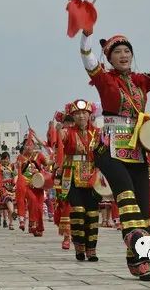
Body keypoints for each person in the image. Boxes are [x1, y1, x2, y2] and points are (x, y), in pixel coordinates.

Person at [80, 23, 150, 281]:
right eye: (118, 52)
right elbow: (88, 59)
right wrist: (86, 37)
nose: (124, 55)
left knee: (144, 208)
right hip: (110, 147)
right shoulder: (104, 79)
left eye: (127, 51)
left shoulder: (140, 81)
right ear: (110, 58)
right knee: (125, 192)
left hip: (136, 149)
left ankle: (137, 260)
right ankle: (136, 242)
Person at [60, 100, 102, 261]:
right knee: (77, 212)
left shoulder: (98, 133)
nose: (81, 116)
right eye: (77, 113)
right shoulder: (67, 132)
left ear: (90, 115)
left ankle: (92, 249)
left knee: (92, 214)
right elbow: (57, 142)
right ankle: (79, 248)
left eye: (84, 113)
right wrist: (57, 131)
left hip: (92, 174)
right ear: (73, 116)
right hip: (72, 175)